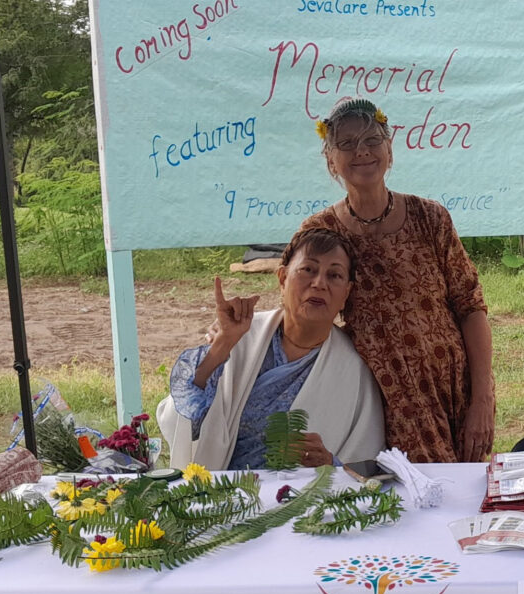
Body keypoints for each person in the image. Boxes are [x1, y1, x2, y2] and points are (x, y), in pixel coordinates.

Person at [297, 97, 495, 464]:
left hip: (453, 389)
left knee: (465, 498)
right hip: (383, 395)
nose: (362, 152)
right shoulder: (320, 232)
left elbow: (470, 306)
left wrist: (482, 398)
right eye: (347, 143)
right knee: (403, 502)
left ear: (390, 149)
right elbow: (298, 304)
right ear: (330, 160)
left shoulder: (430, 218)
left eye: (373, 140)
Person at [156, 228, 385, 470]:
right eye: (308, 270)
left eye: (334, 275)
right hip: (220, 496)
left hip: (307, 502)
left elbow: (366, 466)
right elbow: (177, 424)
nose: (319, 283)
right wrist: (222, 344)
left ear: (346, 293)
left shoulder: (354, 369)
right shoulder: (242, 335)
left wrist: (329, 463)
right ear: (283, 279)